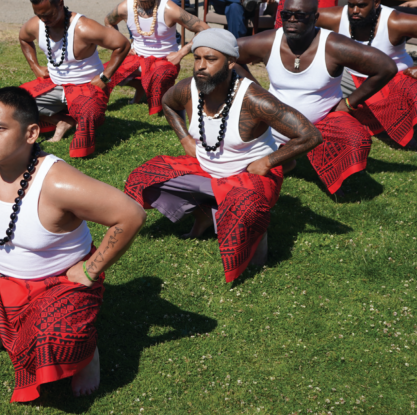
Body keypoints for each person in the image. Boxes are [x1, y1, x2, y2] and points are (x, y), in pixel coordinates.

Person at [0, 86, 146, 401]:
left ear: (32, 133)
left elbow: (130, 215)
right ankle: (0, 320)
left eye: (0, 128)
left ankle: (86, 355)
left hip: (56, 285)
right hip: (0, 276)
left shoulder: (58, 183)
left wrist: (91, 270)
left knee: (53, 340)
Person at [124, 29, 321, 281]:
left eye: (211, 59)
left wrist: (268, 161)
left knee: (246, 207)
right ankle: (205, 215)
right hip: (206, 172)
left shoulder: (254, 99)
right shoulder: (188, 89)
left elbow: (310, 135)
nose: (201, 66)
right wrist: (184, 138)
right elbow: (167, 102)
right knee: (144, 178)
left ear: (230, 62)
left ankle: (255, 240)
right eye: (197, 58)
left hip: (247, 179)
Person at [236, 0, 396, 194]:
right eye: (286, 15)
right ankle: (285, 159)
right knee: (234, 157)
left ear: (315, 17)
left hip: (321, 124)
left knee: (357, 139)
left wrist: (349, 102)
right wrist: (256, 92)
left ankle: (323, 171)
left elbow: (386, 67)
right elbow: (228, 55)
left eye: (300, 15)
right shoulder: (269, 41)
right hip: (272, 121)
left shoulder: (333, 45)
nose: (292, 20)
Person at [316, 0, 417, 147]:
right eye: (351, 5)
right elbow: (299, 18)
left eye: (362, 5)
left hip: (388, 81)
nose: (355, 11)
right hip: (348, 78)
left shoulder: (394, 21)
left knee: (415, 92)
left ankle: (389, 126)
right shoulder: (336, 16)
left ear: (376, 2)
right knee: (317, 77)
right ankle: (354, 119)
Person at [18, 0, 131, 157]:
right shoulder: (36, 24)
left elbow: (122, 44)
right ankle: (62, 121)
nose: (43, 20)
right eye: (39, 15)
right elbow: (24, 39)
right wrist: (35, 66)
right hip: (54, 85)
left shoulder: (84, 28)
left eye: (48, 14)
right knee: (14, 103)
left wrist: (105, 77)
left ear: (60, 4)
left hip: (86, 86)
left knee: (88, 114)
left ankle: (79, 121)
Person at [104, 0, 209, 114]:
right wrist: (124, 45)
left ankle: (166, 100)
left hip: (165, 59)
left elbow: (204, 29)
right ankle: (138, 87)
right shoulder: (125, 7)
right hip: (137, 57)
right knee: (105, 72)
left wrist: (180, 53)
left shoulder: (168, 8)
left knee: (159, 77)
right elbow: (108, 22)